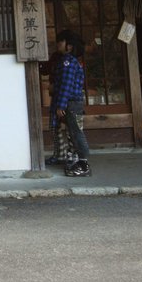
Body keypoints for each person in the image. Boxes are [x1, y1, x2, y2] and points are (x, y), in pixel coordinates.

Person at [51, 30, 91, 177]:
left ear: (69, 46)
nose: (58, 44)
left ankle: (83, 163)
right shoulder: (71, 61)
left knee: (76, 132)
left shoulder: (68, 62)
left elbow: (66, 85)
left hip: (71, 103)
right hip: (74, 102)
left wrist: (61, 105)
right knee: (73, 132)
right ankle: (78, 161)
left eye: (61, 41)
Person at [44, 33, 73, 168]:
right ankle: (59, 154)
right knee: (55, 126)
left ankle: (72, 156)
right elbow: (45, 70)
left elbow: (67, 82)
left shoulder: (70, 60)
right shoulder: (56, 57)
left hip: (68, 96)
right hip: (56, 95)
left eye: (61, 42)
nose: (58, 45)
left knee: (71, 127)